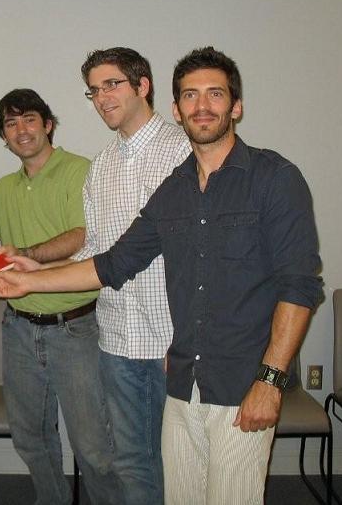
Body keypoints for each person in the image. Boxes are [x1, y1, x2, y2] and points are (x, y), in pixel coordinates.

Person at [0, 46, 323, 504]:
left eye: (215, 94)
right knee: (150, 478)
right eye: (191, 96)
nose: (202, 106)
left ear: (236, 106)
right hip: (167, 368)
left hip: (225, 373)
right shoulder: (167, 185)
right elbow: (112, 262)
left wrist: (271, 380)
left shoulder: (272, 176)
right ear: (179, 109)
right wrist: (28, 278)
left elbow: (299, 285)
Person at [73, 47, 191, 503]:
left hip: (171, 344)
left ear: (143, 85)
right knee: (129, 461)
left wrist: (189, 339)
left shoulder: (182, 150)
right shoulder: (100, 165)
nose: (102, 98)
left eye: (112, 84)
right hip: (117, 341)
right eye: (94, 90)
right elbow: (96, 252)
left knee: (179, 463)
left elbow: (202, 256)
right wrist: (33, 268)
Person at [0, 89, 117, 504]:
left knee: (93, 447)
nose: (21, 130)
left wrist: (28, 255)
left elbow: (83, 236)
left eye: (29, 119)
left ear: (47, 124)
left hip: (75, 328)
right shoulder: (1, 191)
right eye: (10, 124)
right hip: (18, 329)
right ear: (4, 136)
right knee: (31, 438)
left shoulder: (81, 171)